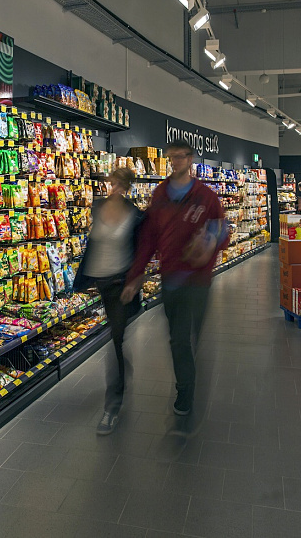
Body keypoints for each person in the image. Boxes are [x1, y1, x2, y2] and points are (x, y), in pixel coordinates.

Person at [122, 141, 228, 431]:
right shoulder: (160, 194)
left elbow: (223, 229)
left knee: (185, 337)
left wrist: (211, 242)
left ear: (190, 159)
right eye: (171, 158)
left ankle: (186, 387)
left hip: (197, 280)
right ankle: (187, 382)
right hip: (170, 278)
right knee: (178, 337)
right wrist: (136, 273)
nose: (175, 162)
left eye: (180, 157)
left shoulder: (205, 196)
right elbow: (149, 238)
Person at [74, 168, 144, 435]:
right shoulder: (97, 206)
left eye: (118, 184)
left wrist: (135, 281)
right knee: (116, 338)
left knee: (114, 339)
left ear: (126, 187)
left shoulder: (135, 215)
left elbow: (140, 251)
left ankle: (111, 409)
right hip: (99, 282)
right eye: (110, 183)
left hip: (119, 284)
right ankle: (123, 369)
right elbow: (94, 244)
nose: (112, 188)